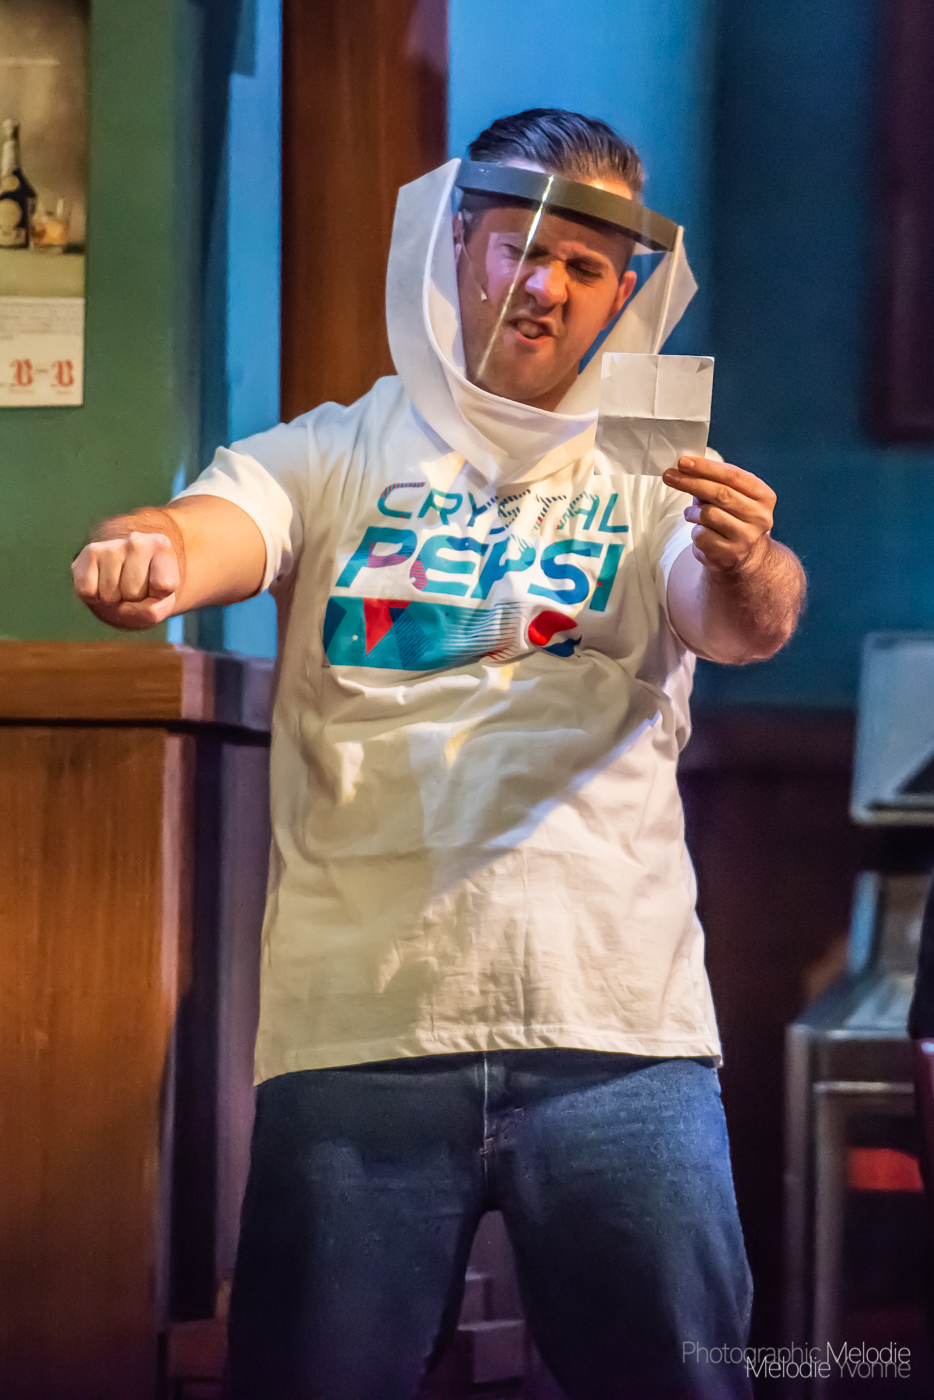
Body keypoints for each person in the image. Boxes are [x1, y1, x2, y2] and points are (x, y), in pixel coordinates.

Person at [73, 109, 805, 1399]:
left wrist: (748, 556)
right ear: (459, 242)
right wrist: (150, 553)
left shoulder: (655, 475)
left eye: (585, 265)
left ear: (621, 293)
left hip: (618, 1032)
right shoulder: (333, 449)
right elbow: (211, 527)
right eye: (522, 247)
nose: (546, 285)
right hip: (360, 1028)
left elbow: (741, 621)